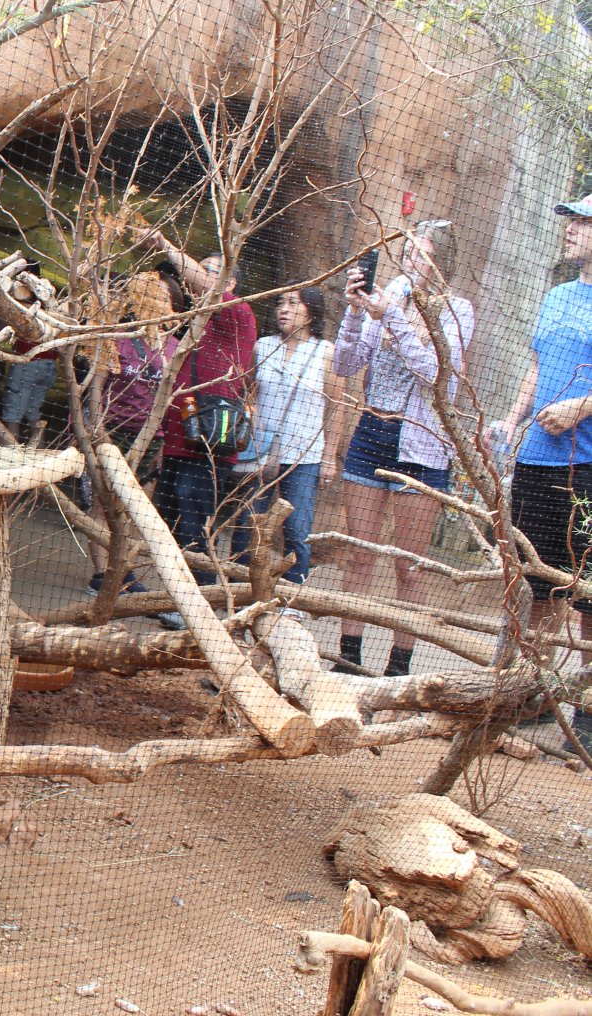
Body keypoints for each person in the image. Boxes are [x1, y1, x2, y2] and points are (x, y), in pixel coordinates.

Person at [331, 219, 475, 675]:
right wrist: (356, 312)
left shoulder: (457, 311)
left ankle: (399, 669)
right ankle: (347, 659)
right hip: (371, 435)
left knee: (409, 567)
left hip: (422, 448)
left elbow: (434, 373)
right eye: (409, 252)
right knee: (359, 555)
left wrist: (391, 316)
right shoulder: (389, 295)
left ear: (441, 262)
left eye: (422, 254)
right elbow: (345, 362)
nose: (411, 261)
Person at [493, 191, 592, 749]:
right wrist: (513, 419)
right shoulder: (556, 296)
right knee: (540, 588)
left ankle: (587, 715)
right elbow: (536, 365)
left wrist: (583, 406)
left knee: (589, 595)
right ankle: (529, 695)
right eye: (572, 219)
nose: (572, 228)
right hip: (537, 459)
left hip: (589, 466)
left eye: (583, 221)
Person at [145, 242, 258, 629]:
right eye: (201, 268)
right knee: (173, 525)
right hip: (179, 441)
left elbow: (207, 287)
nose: (202, 276)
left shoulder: (237, 314)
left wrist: (163, 245)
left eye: (213, 270)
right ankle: (177, 601)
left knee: (198, 527)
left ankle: (201, 608)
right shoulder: (192, 321)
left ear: (231, 281)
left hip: (207, 445)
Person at [230, 287, 347, 585]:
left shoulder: (327, 352)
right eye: (281, 302)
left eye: (293, 303)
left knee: (297, 527)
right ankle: (235, 585)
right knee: (248, 522)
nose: (284, 309)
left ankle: (294, 591)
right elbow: (246, 392)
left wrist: (329, 457)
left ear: (311, 312)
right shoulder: (263, 346)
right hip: (260, 450)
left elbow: (336, 408)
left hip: (305, 455)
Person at [82, 271, 181, 598]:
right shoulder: (117, 337)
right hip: (114, 432)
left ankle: (125, 571)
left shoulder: (177, 347)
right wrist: (98, 433)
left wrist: (167, 441)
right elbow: (96, 387)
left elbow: (176, 398)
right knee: (103, 503)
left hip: (153, 437)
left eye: (163, 295)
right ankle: (102, 574)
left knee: (140, 508)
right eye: (149, 292)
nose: (156, 300)